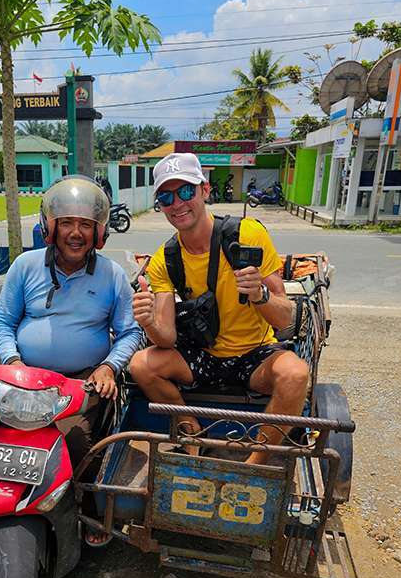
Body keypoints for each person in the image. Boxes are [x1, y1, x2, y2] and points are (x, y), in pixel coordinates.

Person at [130, 152, 309, 463]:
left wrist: (260, 295)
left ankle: (255, 463)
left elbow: (284, 320)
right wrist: (148, 322)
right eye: (167, 196)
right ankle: (191, 431)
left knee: (295, 374)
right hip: (203, 355)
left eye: (186, 191)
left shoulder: (248, 235)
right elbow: (167, 338)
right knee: (140, 364)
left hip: (254, 355)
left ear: (205, 190)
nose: (178, 203)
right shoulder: (164, 260)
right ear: (160, 203)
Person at [0, 175, 142, 542]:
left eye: (86, 225)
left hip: (83, 380)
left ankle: (83, 510)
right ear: (50, 227)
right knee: (3, 441)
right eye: (68, 223)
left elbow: (130, 332)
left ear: (99, 232)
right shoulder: (25, 267)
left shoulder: (112, 275)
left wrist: (109, 366)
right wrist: (12, 363)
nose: (76, 233)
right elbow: (2, 323)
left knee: (76, 443)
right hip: (25, 379)